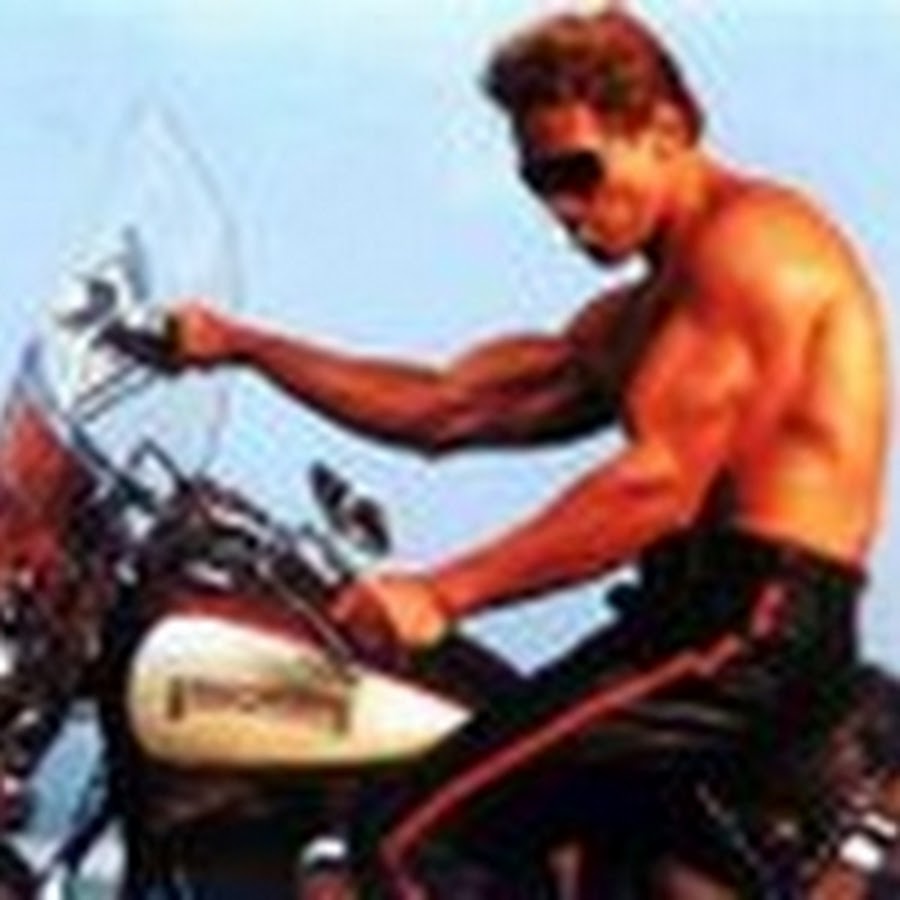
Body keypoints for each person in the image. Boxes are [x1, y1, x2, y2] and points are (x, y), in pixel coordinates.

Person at [141, 8, 889, 897]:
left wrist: (444, 593)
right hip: (690, 622)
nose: (564, 211)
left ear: (665, 130)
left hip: (745, 635)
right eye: (541, 183)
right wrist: (244, 345)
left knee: (408, 840)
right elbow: (448, 407)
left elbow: (657, 485)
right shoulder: (641, 316)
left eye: (578, 171)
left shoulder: (753, 248)